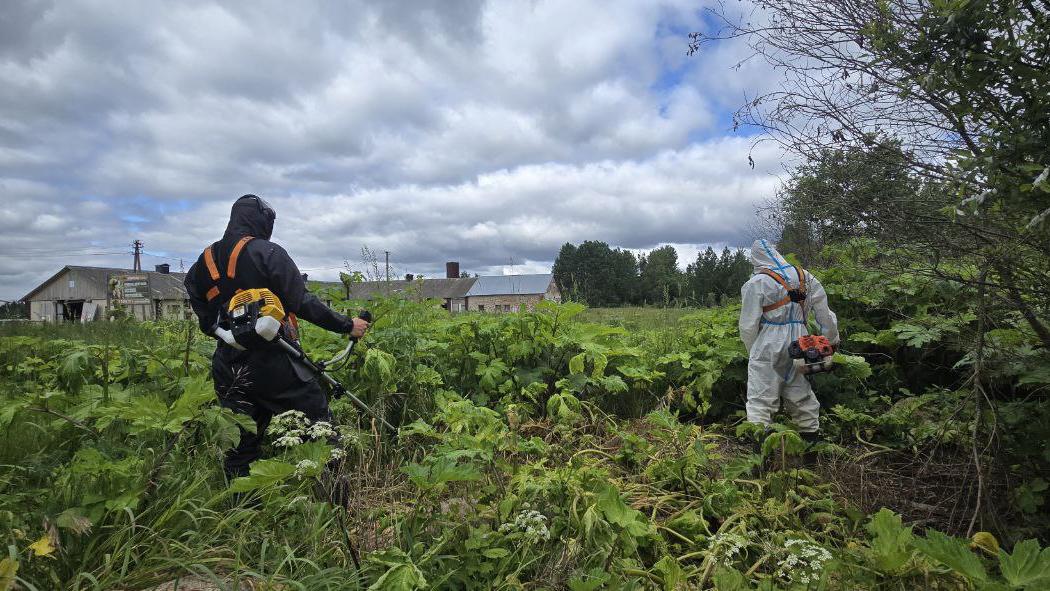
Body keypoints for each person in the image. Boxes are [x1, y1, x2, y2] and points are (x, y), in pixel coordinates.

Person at [184, 194, 369, 479]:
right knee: (320, 431)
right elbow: (302, 301)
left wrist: (226, 332)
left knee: (241, 444)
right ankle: (337, 506)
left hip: (228, 364)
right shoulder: (267, 253)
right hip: (276, 360)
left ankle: (243, 514)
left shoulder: (202, 264)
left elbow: (206, 319)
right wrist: (348, 325)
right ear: (261, 221)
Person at [738, 239, 839, 442]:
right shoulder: (806, 277)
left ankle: (760, 465)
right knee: (803, 398)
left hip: (768, 341)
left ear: (756, 260)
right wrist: (831, 341)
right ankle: (810, 461)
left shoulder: (757, 283)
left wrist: (753, 351)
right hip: (801, 342)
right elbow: (825, 315)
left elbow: (748, 325)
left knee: (760, 402)